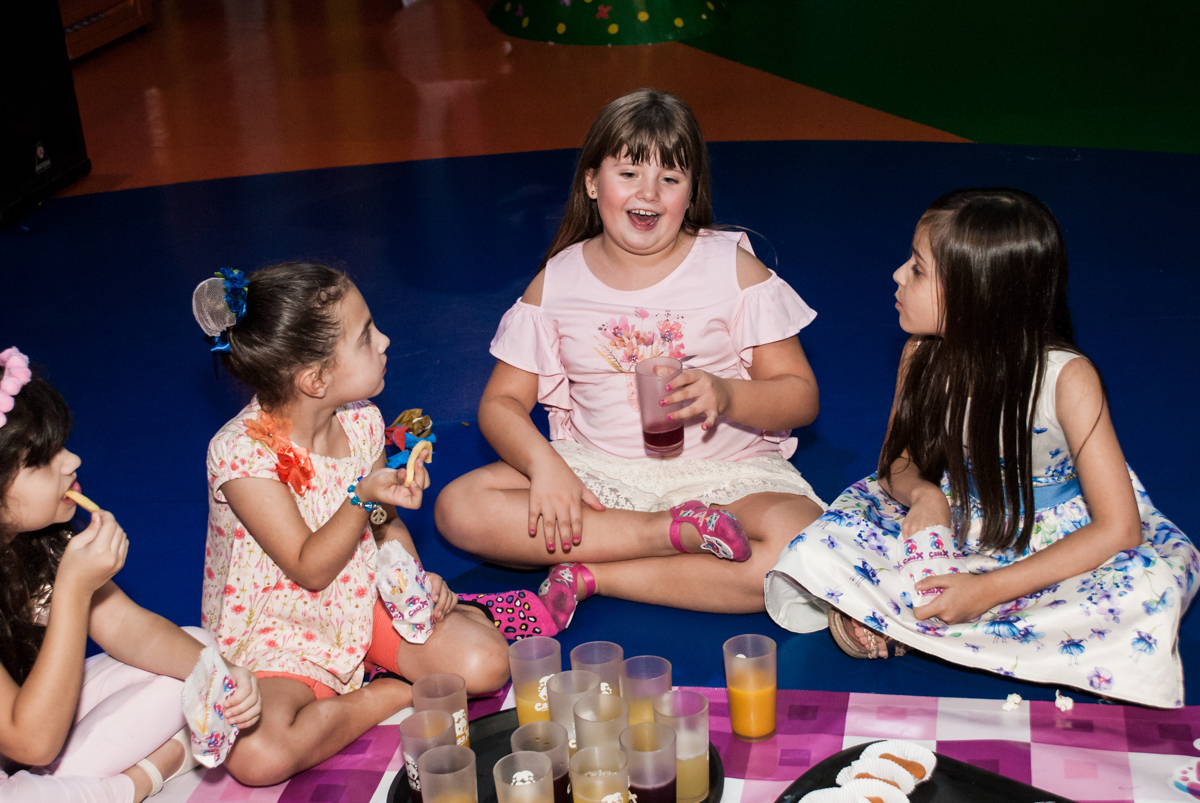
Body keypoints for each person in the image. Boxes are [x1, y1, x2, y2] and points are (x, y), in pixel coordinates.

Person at [766, 189, 1198, 708]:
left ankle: (909, 617)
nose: (899, 275)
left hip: (1056, 537)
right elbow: (896, 464)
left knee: (1148, 589)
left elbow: (1119, 528)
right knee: (820, 544)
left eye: (919, 270)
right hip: (957, 519)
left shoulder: (1068, 378)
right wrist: (925, 495)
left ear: (978, 293)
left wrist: (988, 590)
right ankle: (937, 617)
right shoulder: (920, 354)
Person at [435, 89, 825, 627]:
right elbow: (501, 402)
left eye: (670, 179)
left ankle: (598, 574)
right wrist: (545, 467)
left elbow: (800, 396)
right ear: (592, 181)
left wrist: (729, 393)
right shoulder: (558, 281)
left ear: (691, 193)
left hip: (727, 478)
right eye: (629, 174)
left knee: (799, 552)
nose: (650, 192)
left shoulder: (731, 269)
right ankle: (665, 535)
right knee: (461, 508)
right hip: (600, 478)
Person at [193, 263, 510, 787]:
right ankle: (390, 692)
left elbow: (383, 527)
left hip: (362, 600)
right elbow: (309, 567)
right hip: (279, 632)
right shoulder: (239, 454)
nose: (384, 339)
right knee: (257, 757)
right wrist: (361, 496)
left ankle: (405, 651)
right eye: (366, 336)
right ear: (314, 378)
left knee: (486, 665)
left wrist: (413, 576)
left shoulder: (360, 419)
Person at [0, 349, 261, 803]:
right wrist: (73, 592)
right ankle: (142, 779)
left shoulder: (36, 543)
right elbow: (32, 742)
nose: (72, 460)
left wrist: (222, 675)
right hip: (25, 738)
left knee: (199, 651)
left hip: (25, 731)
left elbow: (125, 627)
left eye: (62, 444)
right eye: (42, 461)